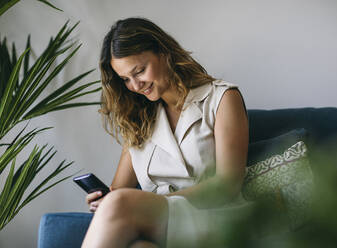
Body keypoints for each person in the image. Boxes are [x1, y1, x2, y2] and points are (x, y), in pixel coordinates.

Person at [82, 17, 249, 248]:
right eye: (125, 80)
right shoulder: (138, 117)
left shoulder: (222, 98)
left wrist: (151, 204)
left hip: (215, 218)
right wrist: (101, 201)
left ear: (164, 52)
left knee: (121, 205)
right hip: (161, 228)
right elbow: (118, 191)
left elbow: (228, 184)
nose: (135, 85)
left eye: (139, 71)